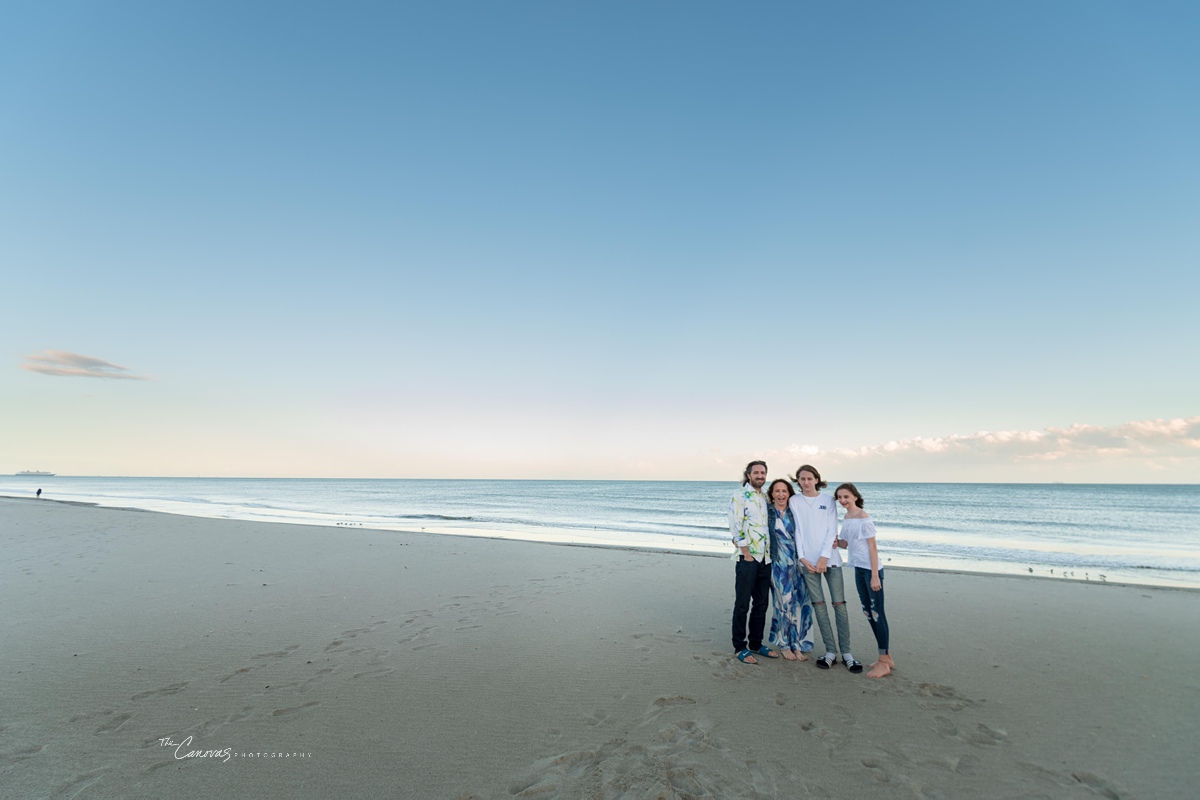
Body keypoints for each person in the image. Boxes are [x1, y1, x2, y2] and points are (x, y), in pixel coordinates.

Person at [790, 464, 861, 672]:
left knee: (839, 604)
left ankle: (846, 653)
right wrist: (802, 558)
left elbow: (832, 529)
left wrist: (824, 557)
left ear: (816, 479)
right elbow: (798, 531)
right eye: (802, 479)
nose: (806, 482)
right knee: (819, 606)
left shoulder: (828, 500)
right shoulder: (794, 501)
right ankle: (830, 651)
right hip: (807, 563)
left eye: (809, 478)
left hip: (830, 560)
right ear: (798, 481)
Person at [835, 483, 894, 678]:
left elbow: (873, 548)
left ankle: (884, 661)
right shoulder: (847, 517)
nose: (843, 500)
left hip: (871, 571)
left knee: (877, 613)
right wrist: (833, 540)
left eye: (846, 497)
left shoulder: (863, 518)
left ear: (855, 496)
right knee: (868, 612)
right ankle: (886, 657)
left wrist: (875, 576)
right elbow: (846, 544)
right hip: (858, 569)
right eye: (840, 497)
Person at [729, 460, 777, 664]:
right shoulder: (740, 496)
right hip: (748, 558)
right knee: (742, 604)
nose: (760, 475)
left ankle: (756, 644)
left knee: (761, 604)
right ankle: (740, 647)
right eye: (756, 472)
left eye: (763, 472)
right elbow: (735, 524)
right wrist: (746, 552)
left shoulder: (765, 497)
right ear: (748, 475)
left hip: (765, 558)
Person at [766, 478, 812, 661]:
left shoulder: (795, 512)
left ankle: (797, 644)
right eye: (777, 491)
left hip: (798, 564)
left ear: (789, 493)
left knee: (800, 603)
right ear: (771, 494)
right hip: (779, 565)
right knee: (784, 604)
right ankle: (784, 644)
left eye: (784, 491)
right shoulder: (768, 512)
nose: (781, 494)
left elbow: (810, 530)